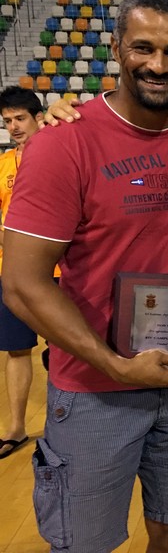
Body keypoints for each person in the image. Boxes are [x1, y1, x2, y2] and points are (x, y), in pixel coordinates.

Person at [2, 0, 168, 553]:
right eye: (143, 48)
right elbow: (21, 282)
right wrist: (115, 363)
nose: (158, 65)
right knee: (84, 543)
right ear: (115, 49)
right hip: (95, 387)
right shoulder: (63, 143)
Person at [0, 87, 44, 459]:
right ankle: (15, 427)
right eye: (8, 121)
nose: (14, 126)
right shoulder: (3, 166)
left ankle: (70, 424)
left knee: (67, 349)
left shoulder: (59, 155)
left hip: (60, 270)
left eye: (20, 118)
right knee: (16, 350)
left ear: (38, 117)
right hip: (12, 271)